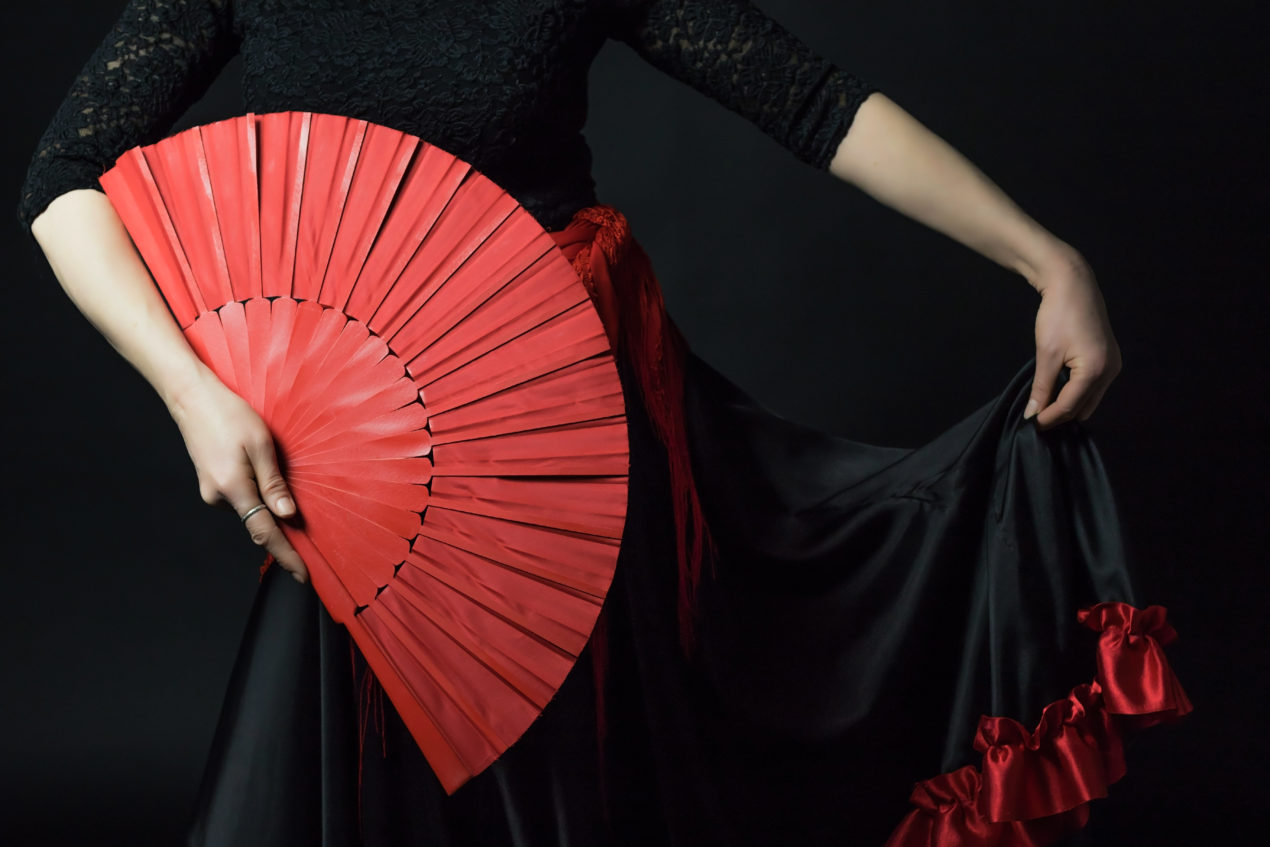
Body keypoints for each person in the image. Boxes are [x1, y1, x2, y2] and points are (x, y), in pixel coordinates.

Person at [16, 1, 1191, 845]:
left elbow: (811, 101)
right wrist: (196, 395)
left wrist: (1050, 260)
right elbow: (61, 176)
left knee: (570, 775)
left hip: (563, 437)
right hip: (358, 463)